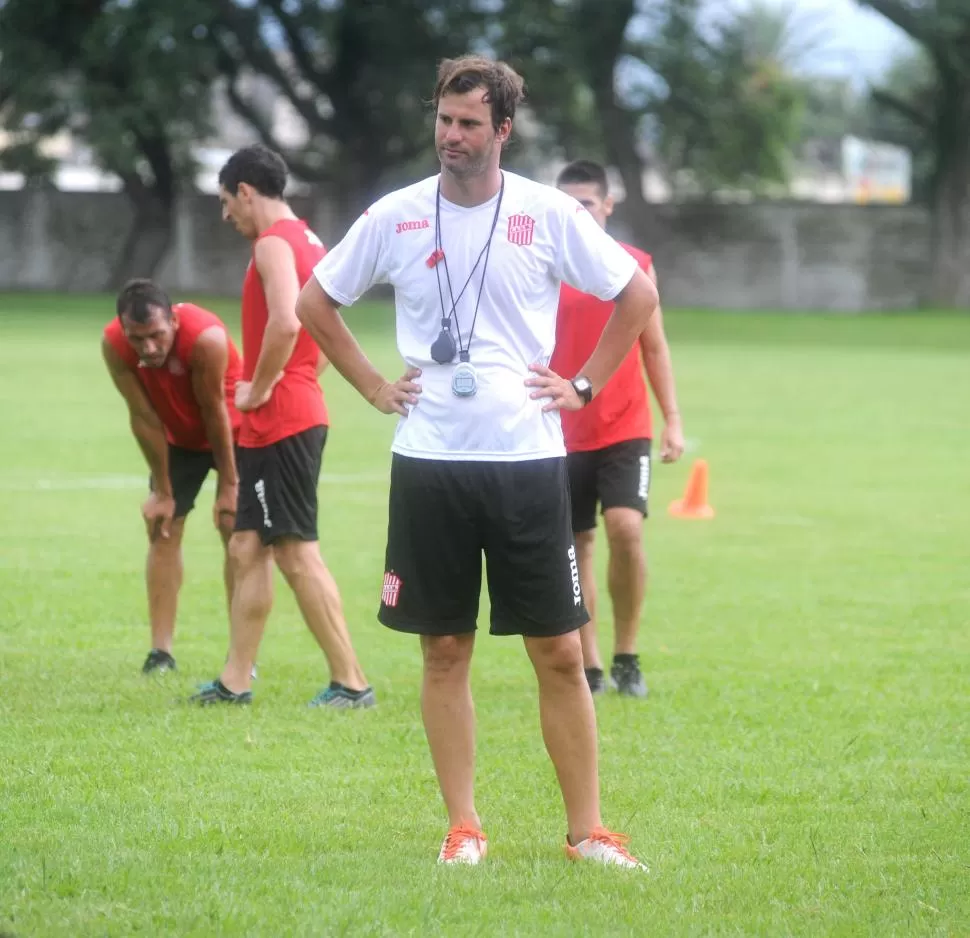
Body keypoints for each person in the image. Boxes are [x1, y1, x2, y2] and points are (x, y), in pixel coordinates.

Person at [295, 54, 662, 868]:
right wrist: (369, 386)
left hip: (529, 462)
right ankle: (464, 828)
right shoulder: (395, 215)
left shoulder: (547, 213)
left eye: (468, 124)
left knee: (561, 650)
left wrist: (584, 383)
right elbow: (314, 299)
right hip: (429, 462)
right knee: (445, 649)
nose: (451, 137)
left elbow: (635, 293)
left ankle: (586, 832)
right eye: (443, 120)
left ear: (502, 130)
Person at [190, 144, 374, 709]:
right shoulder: (311, 241)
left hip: (280, 419)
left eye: (227, 202)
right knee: (247, 546)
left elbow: (289, 323)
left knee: (294, 550)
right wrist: (297, 378)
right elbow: (321, 327)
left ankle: (351, 682)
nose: (226, 215)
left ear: (246, 191)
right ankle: (236, 680)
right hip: (285, 415)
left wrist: (263, 386)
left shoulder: (272, 243)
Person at [550, 160, 685, 699]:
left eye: (584, 203)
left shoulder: (633, 267)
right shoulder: (544, 264)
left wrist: (672, 418)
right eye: (566, 204)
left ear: (607, 206)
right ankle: (590, 663)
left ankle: (628, 653)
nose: (574, 213)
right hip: (557, 431)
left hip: (624, 426)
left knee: (625, 530)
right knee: (575, 541)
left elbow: (654, 346)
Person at [102, 279, 242, 674]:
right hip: (178, 437)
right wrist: (162, 490)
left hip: (234, 430)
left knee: (235, 529)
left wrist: (229, 486)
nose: (148, 348)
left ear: (174, 322)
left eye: (157, 336)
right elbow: (143, 416)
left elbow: (214, 412)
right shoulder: (114, 345)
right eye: (138, 338)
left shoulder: (206, 339)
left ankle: (241, 655)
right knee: (163, 525)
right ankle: (160, 653)